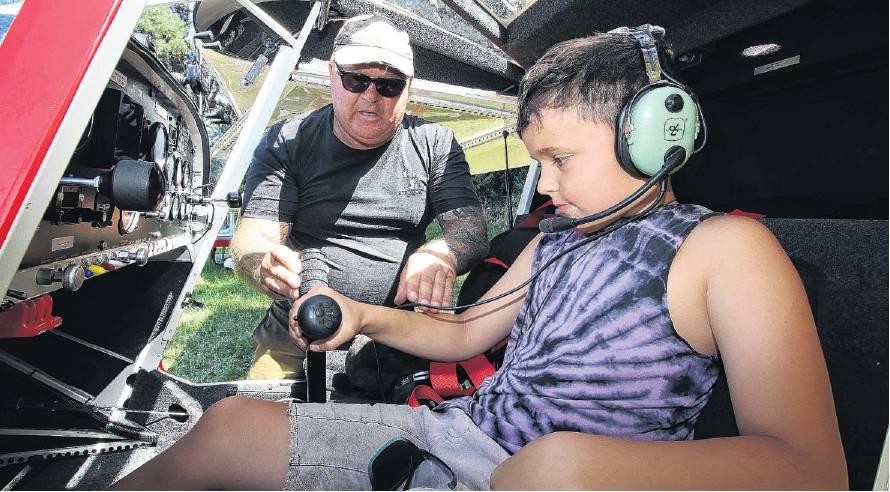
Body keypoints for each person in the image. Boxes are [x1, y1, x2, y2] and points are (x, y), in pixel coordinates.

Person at [112, 28, 847, 490]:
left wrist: (572, 470)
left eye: (560, 159)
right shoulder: (560, 238)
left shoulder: (726, 249)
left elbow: (811, 471)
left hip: (566, 479)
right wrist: (365, 316)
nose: (545, 185)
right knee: (232, 424)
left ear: (653, 141)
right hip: (458, 434)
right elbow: (466, 335)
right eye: (540, 161)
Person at [231, 14, 489, 383]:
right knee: (255, 424)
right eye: (357, 80)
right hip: (298, 325)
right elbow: (253, 237)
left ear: (408, 86)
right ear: (333, 74)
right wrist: (262, 265)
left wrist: (440, 253)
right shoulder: (288, 142)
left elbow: (472, 231)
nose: (371, 96)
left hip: (397, 332)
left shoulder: (435, 144)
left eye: (388, 86)